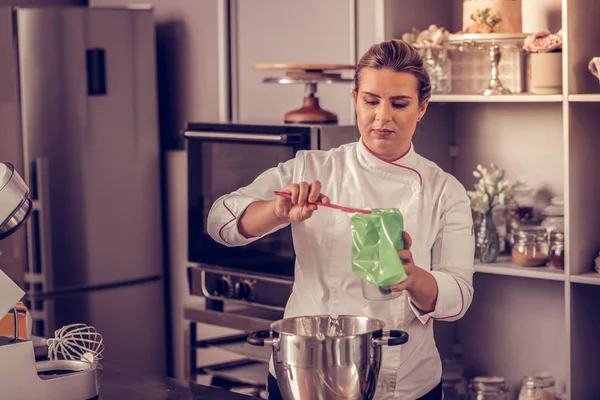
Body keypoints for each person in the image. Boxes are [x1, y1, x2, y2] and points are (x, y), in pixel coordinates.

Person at [207, 39, 475, 400]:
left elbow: (458, 297)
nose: (382, 117)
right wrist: (277, 211)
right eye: (371, 101)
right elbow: (219, 222)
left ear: (422, 108)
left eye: (399, 104)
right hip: (302, 372)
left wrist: (413, 277)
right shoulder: (312, 167)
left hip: (404, 383)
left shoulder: (445, 190)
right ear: (355, 101)